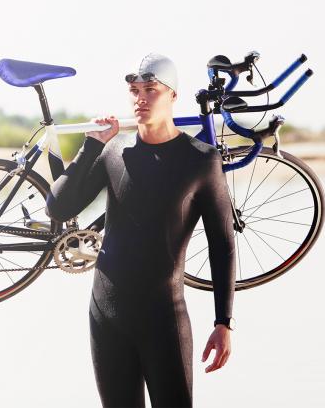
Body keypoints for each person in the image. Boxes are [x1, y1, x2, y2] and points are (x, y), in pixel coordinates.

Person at [45, 52, 236, 408]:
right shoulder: (114, 150)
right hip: (105, 317)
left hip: (164, 320)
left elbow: (222, 245)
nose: (141, 98)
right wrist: (92, 145)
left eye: (151, 90)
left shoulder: (200, 160)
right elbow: (59, 207)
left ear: (173, 95)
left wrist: (223, 322)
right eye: (135, 91)